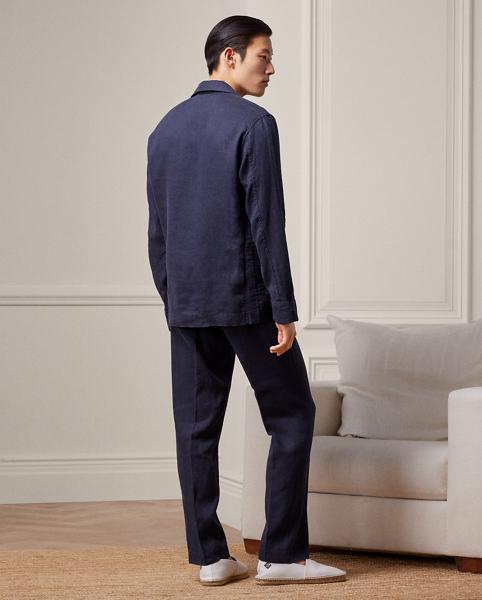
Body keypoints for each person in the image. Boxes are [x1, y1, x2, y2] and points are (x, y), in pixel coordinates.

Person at [146, 14, 347, 586]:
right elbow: (266, 224)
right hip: (247, 301)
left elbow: (157, 231)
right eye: (264, 56)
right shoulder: (254, 123)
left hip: (188, 303)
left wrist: (173, 298)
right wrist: (283, 309)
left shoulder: (164, 128)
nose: (272, 68)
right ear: (229, 56)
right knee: (292, 414)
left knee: (195, 428)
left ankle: (210, 558)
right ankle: (281, 556)